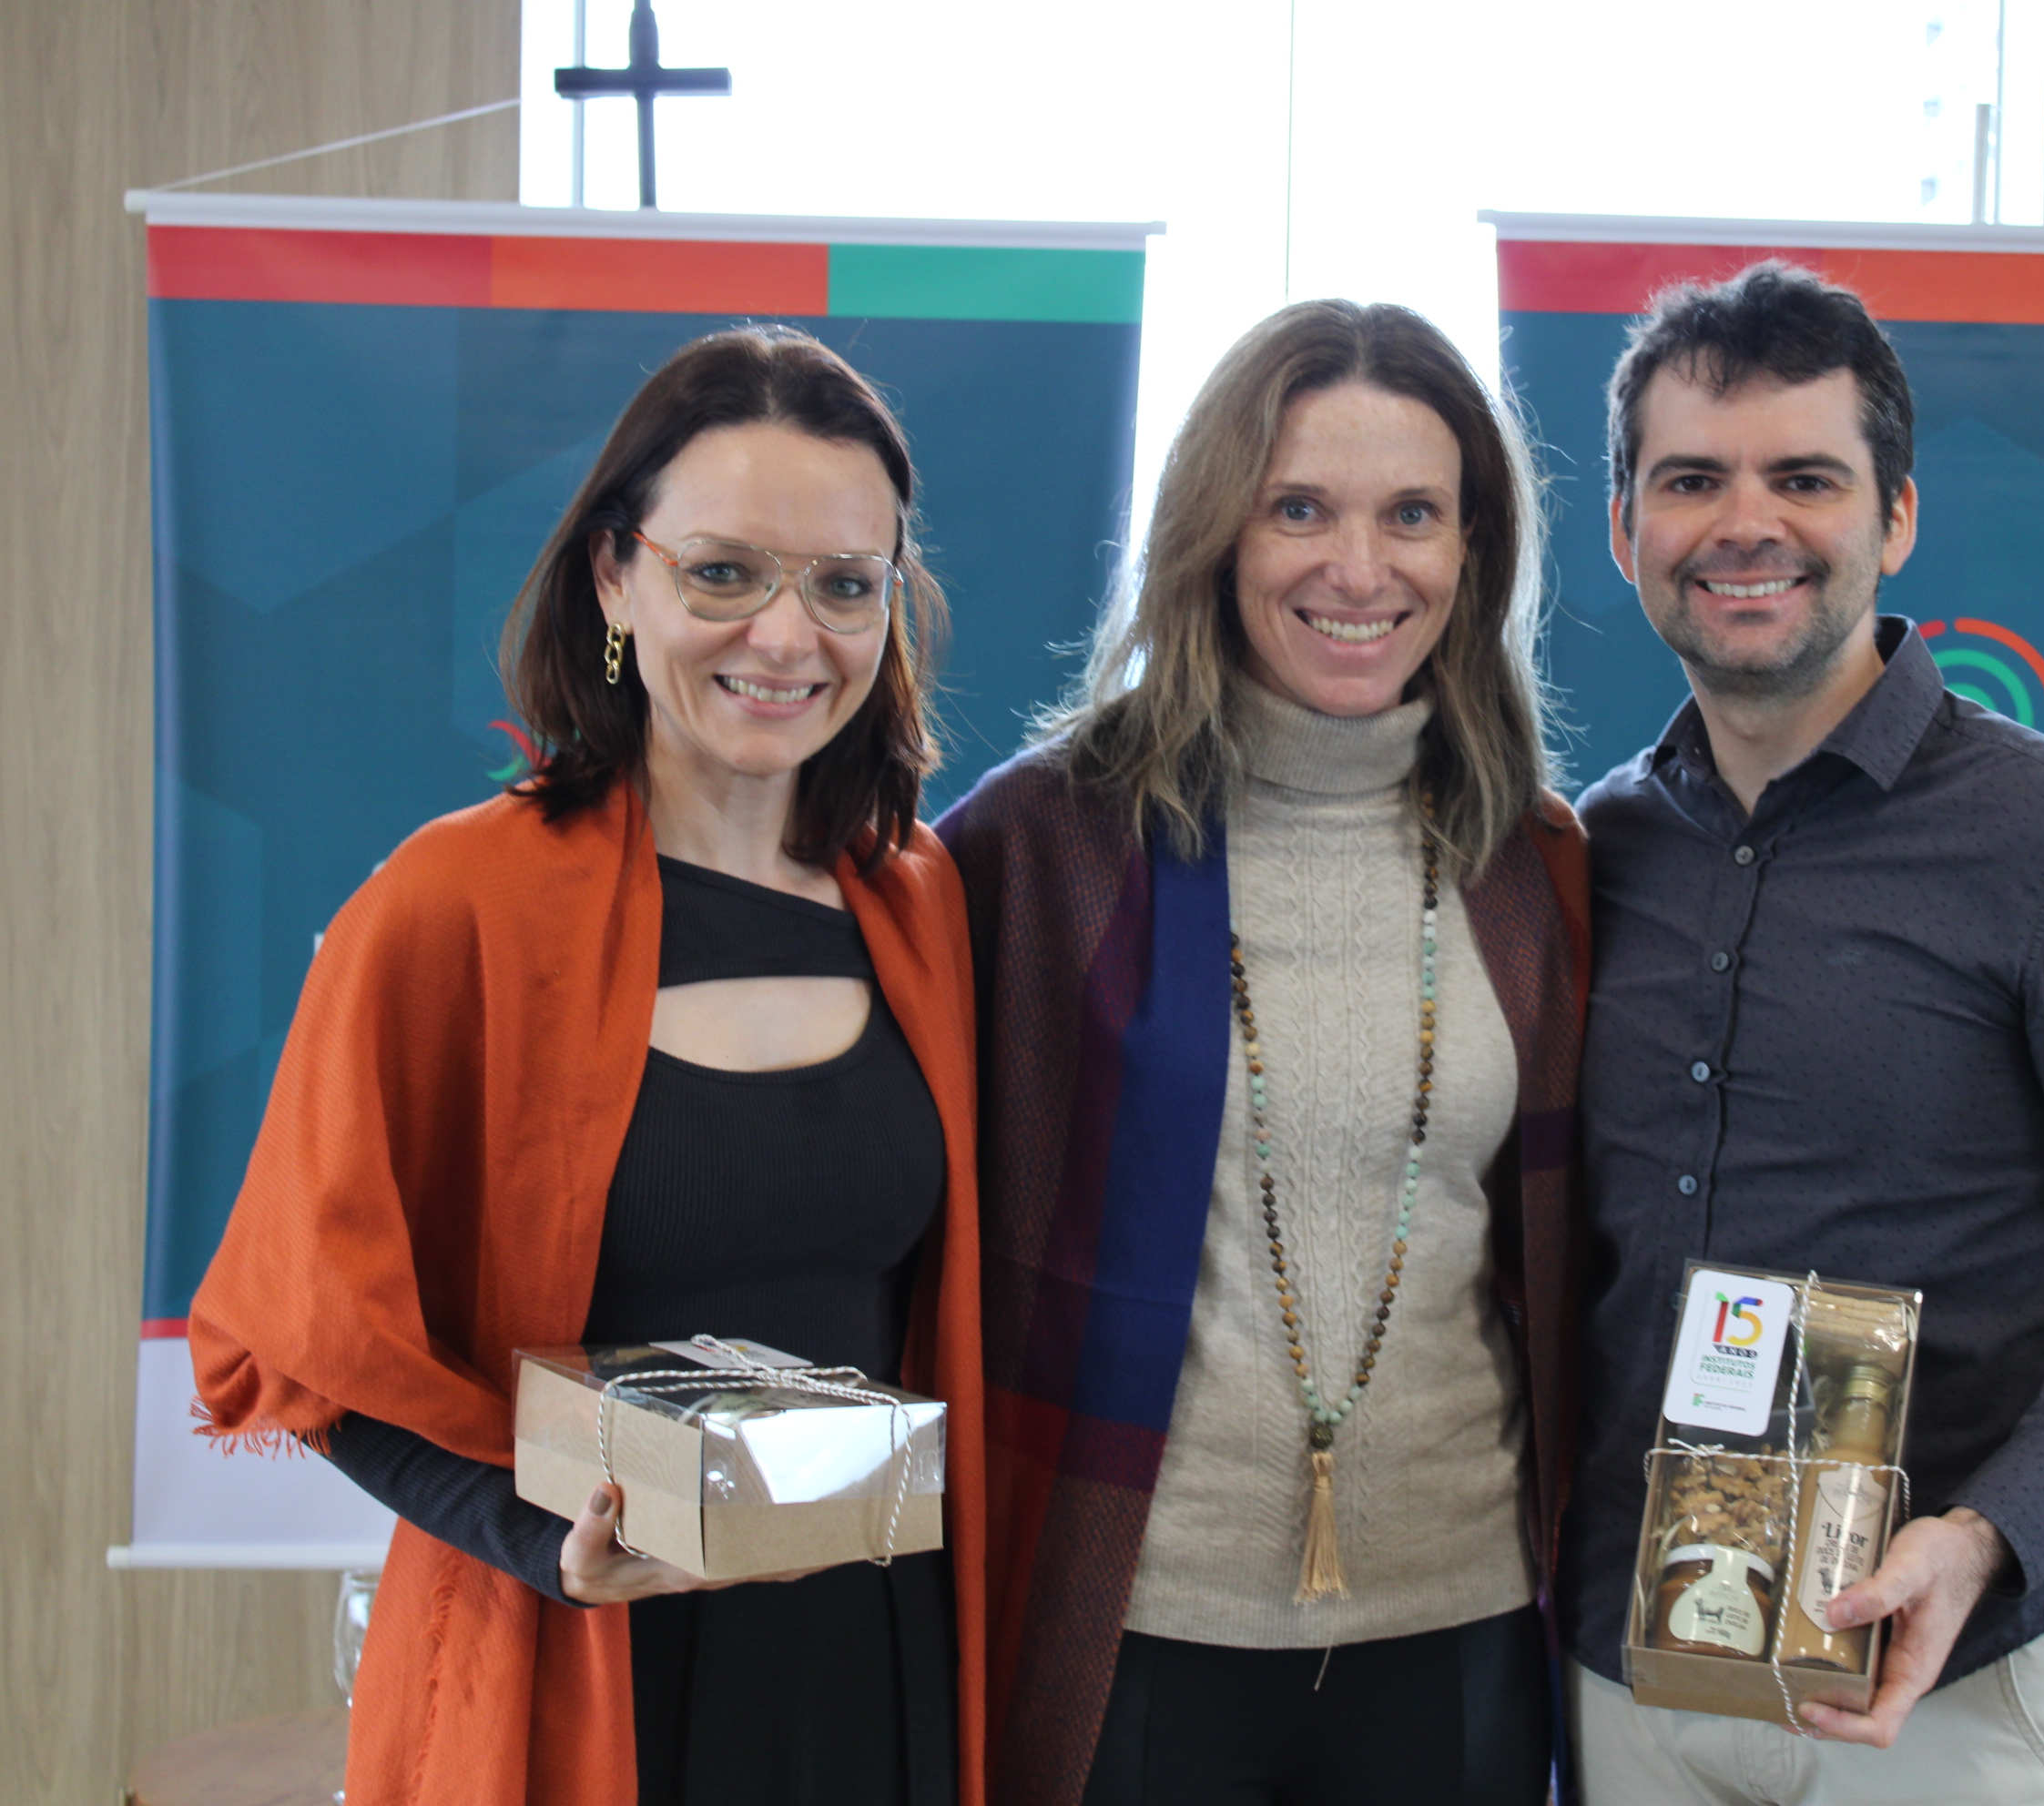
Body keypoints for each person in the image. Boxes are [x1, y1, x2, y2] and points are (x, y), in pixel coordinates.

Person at [188, 326, 988, 1806]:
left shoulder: (921, 902)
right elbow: (307, 1343)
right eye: (723, 573)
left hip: (872, 1677)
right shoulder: (454, 908)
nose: (787, 637)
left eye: (844, 584)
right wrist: (536, 1538)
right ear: (617, 575)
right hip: (575, 1660)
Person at [1559, 260, 2044, 1803]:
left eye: (1805, 478)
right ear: (1625, 529)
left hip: (1949, 1685)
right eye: (1692, 480)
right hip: (1631, 1671)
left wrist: (1990, 1534)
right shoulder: (1589, 853)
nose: (1746, 524)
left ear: (1896, 519)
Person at [936, 299, 1588, 1806]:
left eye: (1412, 514)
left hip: (1464, 1622)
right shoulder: (1043, 846)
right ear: (1214, 534)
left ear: (1473, 551)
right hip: (1137, 1624)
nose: (1359, 569)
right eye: (1299, 508)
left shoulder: (1532, 863)